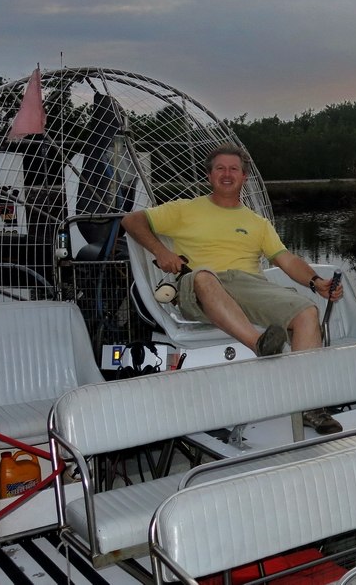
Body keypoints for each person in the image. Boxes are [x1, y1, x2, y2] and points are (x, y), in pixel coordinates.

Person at [122, 144, 344, 434]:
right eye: (220, 168)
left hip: (248, 285)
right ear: (209, 175)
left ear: (244, 177)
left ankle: (308, 405)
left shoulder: (258, 223)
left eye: (233, 169)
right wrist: (161, 251)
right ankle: (258, 344)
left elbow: (286, 259)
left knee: (307, 312)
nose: (227, 174)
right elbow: (131, 220)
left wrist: (317, 283)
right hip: (199, 286)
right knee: (204, 276)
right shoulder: (184, 209)